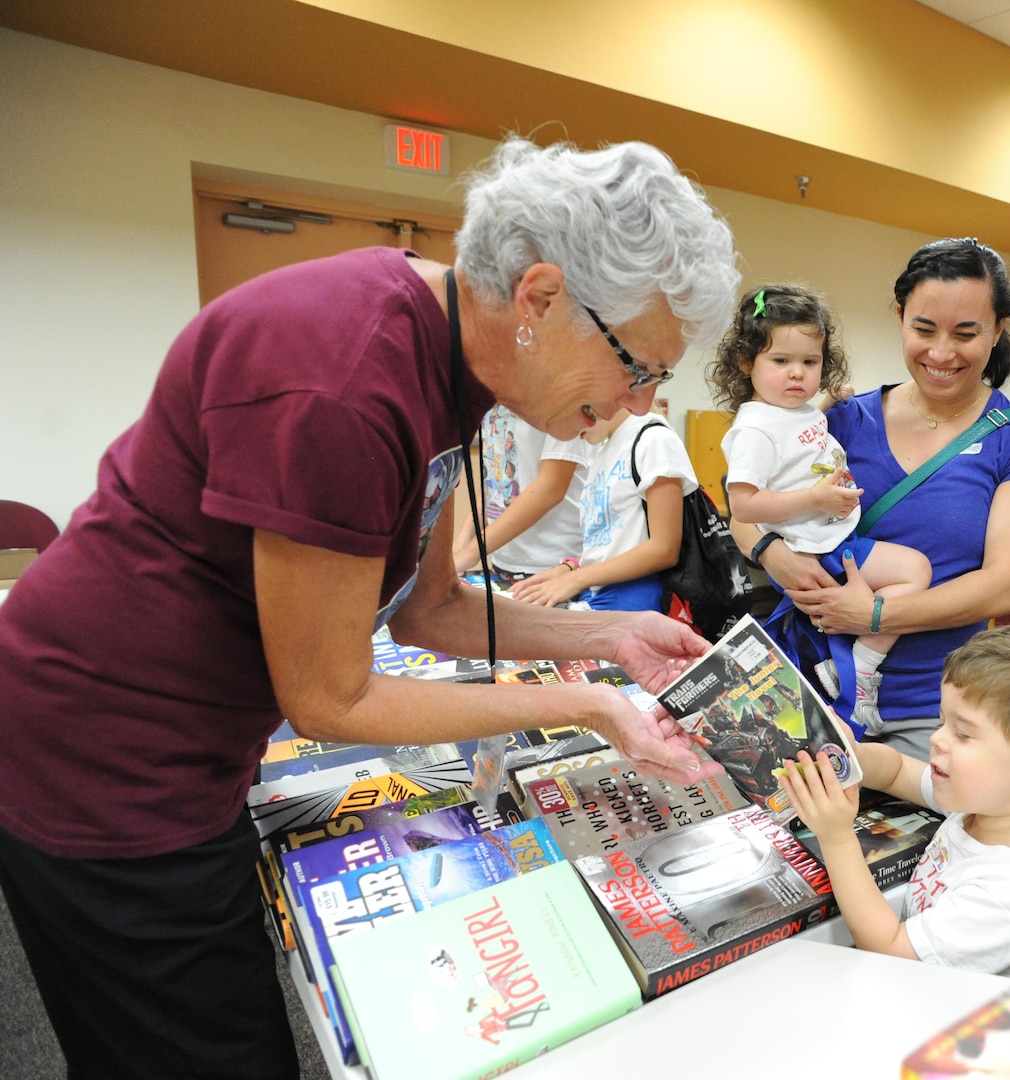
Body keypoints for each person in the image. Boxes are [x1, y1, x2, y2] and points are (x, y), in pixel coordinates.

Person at [0, 135, 738, 1079]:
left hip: (199, 733)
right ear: (542, 299)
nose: (639, 400)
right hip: (103, 742)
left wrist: (609, 636)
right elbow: (333, 701)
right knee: (200, 1048)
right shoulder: (347, 374)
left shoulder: (458, 361)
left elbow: (424, 609)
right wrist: (589, 702)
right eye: (637, 363)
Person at [731, 238, 1010, 760]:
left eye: (967, 333)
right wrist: (776, 556)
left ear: (999, 329)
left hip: (934, 708)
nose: (941, 352)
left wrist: (875, 617)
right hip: (811, 683)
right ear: (900, 316)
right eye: (924, 329)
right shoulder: (840, 417)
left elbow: (1003, 588)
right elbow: (746, 512)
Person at [781, 624, 1010, 974]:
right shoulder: (985, 804)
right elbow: (897, 772)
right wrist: (852, 756)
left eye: (963, 733)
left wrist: (836, 837)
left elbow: (890, 951)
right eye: (942, 721)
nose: (937, 739)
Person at [708, 283, 931, 730]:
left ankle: (843, 664)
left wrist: (827, 402)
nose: (797, 374)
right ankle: (863, 666)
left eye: (810, 363)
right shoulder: (754, 431)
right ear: (745, 362)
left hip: (830, 535)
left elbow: (802, 437)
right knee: (915, 571)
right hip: (816, 547)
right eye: (781, 361)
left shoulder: (792, 410)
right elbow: (744, 505)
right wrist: (816, 498)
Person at [507, 405, 696, 611]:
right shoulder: (604, 448)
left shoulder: (654, 439)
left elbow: (664, 549)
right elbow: (615, 542)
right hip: (599, 588)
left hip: (637, 596)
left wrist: (576, 579)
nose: (565, 432)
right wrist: (570, 568)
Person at [451, 404, 591, 586]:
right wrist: (464, 538)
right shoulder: (492, 402)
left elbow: (551, 489)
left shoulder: (559, 401)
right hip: (503, 560)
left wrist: (470, 553)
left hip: (554, 564)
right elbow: (496, 477)